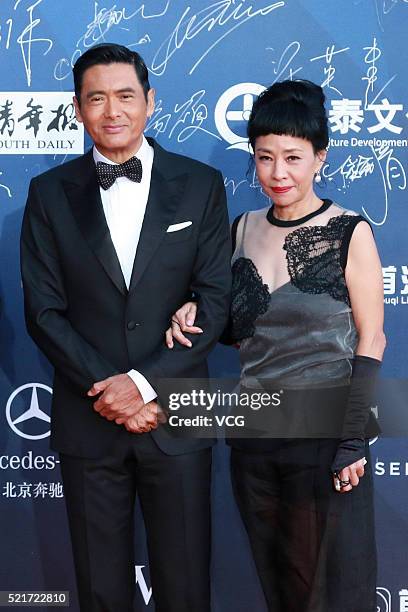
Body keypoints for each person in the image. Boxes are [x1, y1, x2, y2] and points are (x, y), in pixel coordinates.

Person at [20, 43, 231, 612]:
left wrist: (141, 385)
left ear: (150, 102)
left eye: (125, 96)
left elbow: (215, 301)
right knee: (99, 591)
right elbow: (43, 312)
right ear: (77, 107)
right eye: (96, 98)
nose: (112, 111)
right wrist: (114, 391)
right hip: (90, 420)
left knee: (186, 587)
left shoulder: (201, 184)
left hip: (177, 414)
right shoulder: (48, 195)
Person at [166, 80, 385, 611]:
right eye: (265, 158)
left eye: (292, 157)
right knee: (280, 585)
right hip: (256, 437)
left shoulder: (348, 232)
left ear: (319, 158)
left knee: (328, 590)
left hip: (325, 437)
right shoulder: (239, 230)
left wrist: (352, 440)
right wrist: (192, 309)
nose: (278, 173)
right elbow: (234, 325)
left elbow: (372, 338)